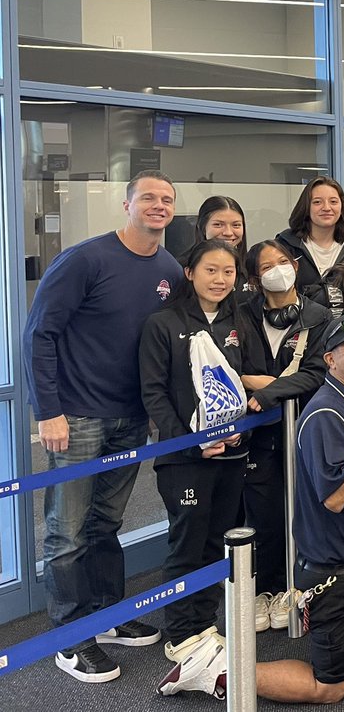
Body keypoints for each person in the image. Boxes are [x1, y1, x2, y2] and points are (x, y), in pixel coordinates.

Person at [160, 314, 344, 703]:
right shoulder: (324, 415)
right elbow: (337, 495)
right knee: (330, 688)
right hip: (339, 564)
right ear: (330, 360)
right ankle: (218, 670)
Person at [23, 169, 181, 683]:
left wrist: (160, 414)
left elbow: (169, 348)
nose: (158, 206)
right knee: (66, 533)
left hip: (131, 418)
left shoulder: (170, 269)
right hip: (78, 417)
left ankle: (106, 614)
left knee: (105, 525)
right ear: (126, 203)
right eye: (148, 198)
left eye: (167, 199)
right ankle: (70, 637)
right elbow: (40, 334)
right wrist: (48, 410)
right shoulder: (85, 260)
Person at [140, 240, 250, 671]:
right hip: (184, 459)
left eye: (228, 272)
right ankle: (180, 633)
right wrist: (189, 439)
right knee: (187, 542)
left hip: (231, 457)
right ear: (190, 273)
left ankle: (205, 624)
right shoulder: (163, 324)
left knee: (215, 541)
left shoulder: (237, 320)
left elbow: (241, 385)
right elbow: (154, 394)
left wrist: (238, 436)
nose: (221, 280)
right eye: (211, 270)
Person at [239, 239, 332, 630]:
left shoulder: (320, 317)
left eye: (283, 261)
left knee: (303, 509)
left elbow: (317, 373)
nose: (278, 269)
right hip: (257, 436)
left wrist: (268, 389)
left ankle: (298, 587)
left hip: (301, 430)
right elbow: (234, 365)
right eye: (267, 266)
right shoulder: (241, 316)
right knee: (263, 512)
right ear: (255, 279)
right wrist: (260, 382)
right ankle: (267, 587)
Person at [277, 176, 344, 297]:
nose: (327, 208)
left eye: (333, 202)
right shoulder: (285, 245)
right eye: (317, 202)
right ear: (306, 207)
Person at [194, 195, 254, 304]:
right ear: (202, 228)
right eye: (218, 225)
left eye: (236, 225)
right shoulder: (182, 267)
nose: (228, 233)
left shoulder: (252, 265)